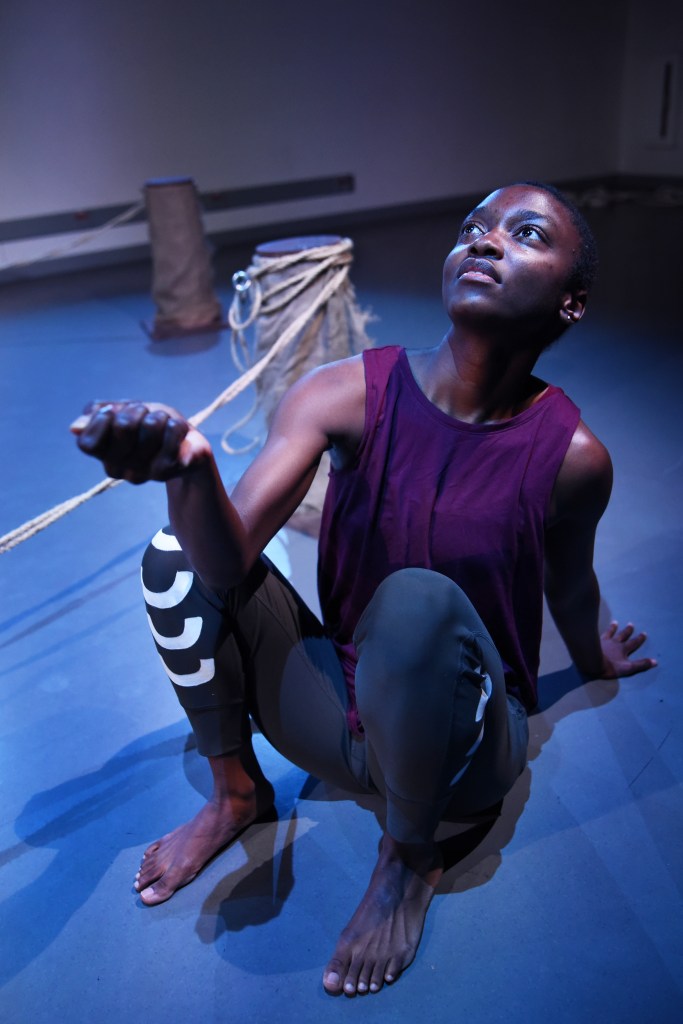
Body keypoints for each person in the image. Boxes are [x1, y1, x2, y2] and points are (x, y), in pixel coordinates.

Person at [73, 182, 656, 997]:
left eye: (525, 234)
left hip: (461, 751)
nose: (484, 241)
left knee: (417, 599)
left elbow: (569, 580)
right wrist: (189, 471)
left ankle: (408, 857)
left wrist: (594, 656)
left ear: (571, 301)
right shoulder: (344, 393)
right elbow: (223, 563)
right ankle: (235, 793)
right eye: (472, 227)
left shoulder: (572, 457)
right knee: (175, 555)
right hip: (335, 710)